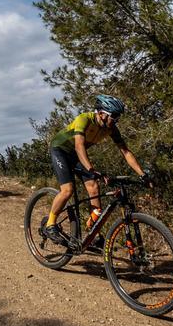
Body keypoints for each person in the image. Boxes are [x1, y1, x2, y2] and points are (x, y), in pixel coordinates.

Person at [41, 94, 150, 246]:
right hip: (61, 150)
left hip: (76, 155)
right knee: (67, 190)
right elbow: (79, 146)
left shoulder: (111, 129)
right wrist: (92, 169)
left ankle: (92, 231)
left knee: (94, 188)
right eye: (114, 117)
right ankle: (50, 224)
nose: (116, 121)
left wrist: (143, 174)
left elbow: (125, 151)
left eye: (118, 118)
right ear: (101, 113)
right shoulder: (84, 119)